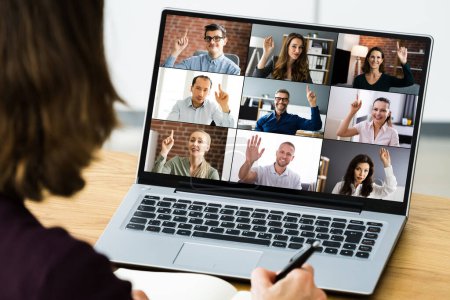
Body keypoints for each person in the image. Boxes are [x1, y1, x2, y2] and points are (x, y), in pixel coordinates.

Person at [0, 1, 326, 299]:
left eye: (200, 141)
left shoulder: (231, 101)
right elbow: (241, 173)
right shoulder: (60, 275)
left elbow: (308, 127)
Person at [162, 24, 240, 75]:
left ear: (225, 41)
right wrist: (176, 51)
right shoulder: (191, 61)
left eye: (216, 38)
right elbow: (166, 74)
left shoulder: (233, 70)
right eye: (208, 38)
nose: (212, 42)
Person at [167, 75, 234, 127]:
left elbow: (227, 127)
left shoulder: (212, 107)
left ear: (209, 92)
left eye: (205, 90)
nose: (201, 94)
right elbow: (169, 124)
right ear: (191, 88)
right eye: (198, 88)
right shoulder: (179, 104)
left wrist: (224, 106)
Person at [238, 136, 302, 189]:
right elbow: (243, 177)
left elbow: (298, 199)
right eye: (282, 152)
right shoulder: (261, 171)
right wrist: (249, 161)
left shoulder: (296, 178)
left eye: (288, 154)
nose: (284, 156)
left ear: (292, 158)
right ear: (276, 153)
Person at [152, 130, 220, 180]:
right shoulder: (176, 162)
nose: (195, 144)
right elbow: (155, 179)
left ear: (207, 147)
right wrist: (164, 151)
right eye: (192, 140)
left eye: (200, 141)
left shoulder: (212, 173)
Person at [332, 148, 397, 199]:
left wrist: (387, 165)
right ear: (352, 169)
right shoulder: (339, 186)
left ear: (369, 172)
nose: (361, 174)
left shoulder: (373, 189)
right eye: (358, 169)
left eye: (365, 170)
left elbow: (390, 188)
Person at [255, 85, 322, 135]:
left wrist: (312, 103)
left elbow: (316, 126)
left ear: (288, 101)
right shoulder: (262, 120)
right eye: (278, 98)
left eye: (284, 99)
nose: (281, 101)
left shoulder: (295, 119)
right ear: (274, 100)